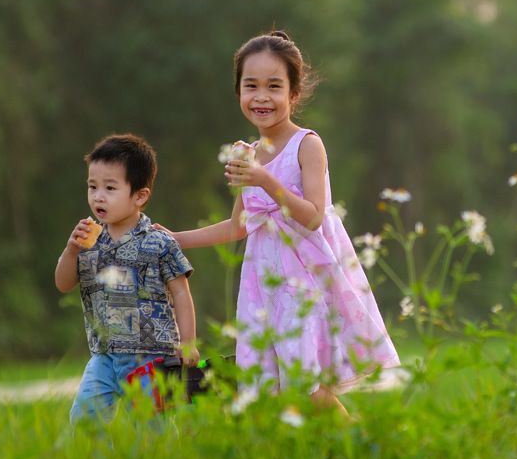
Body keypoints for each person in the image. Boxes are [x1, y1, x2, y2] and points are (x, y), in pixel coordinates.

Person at [156, 31, 400, 414]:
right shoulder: (245, 152)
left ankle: (362, 454)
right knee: (272, 392)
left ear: (294, 93)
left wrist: (264, 180)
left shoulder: (307, 144)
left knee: (307, 390)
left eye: (274, 86)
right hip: (261, 289)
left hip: (303, 285)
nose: (261, 97)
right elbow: (239, 226)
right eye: (250, 86)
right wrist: (176, 238)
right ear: (238, 91)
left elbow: (314, 216)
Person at [55, 133, 198, 422]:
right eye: (92, 187)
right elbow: (63, 283)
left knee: (152, 428)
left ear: (139, 196)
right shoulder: (88, 241)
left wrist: (188, 342)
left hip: (151, 357)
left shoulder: (159, 242)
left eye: (110, 188)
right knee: (84, 418)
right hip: (104, 355)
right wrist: (70, 251)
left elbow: (181, 293)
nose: (98, 196)